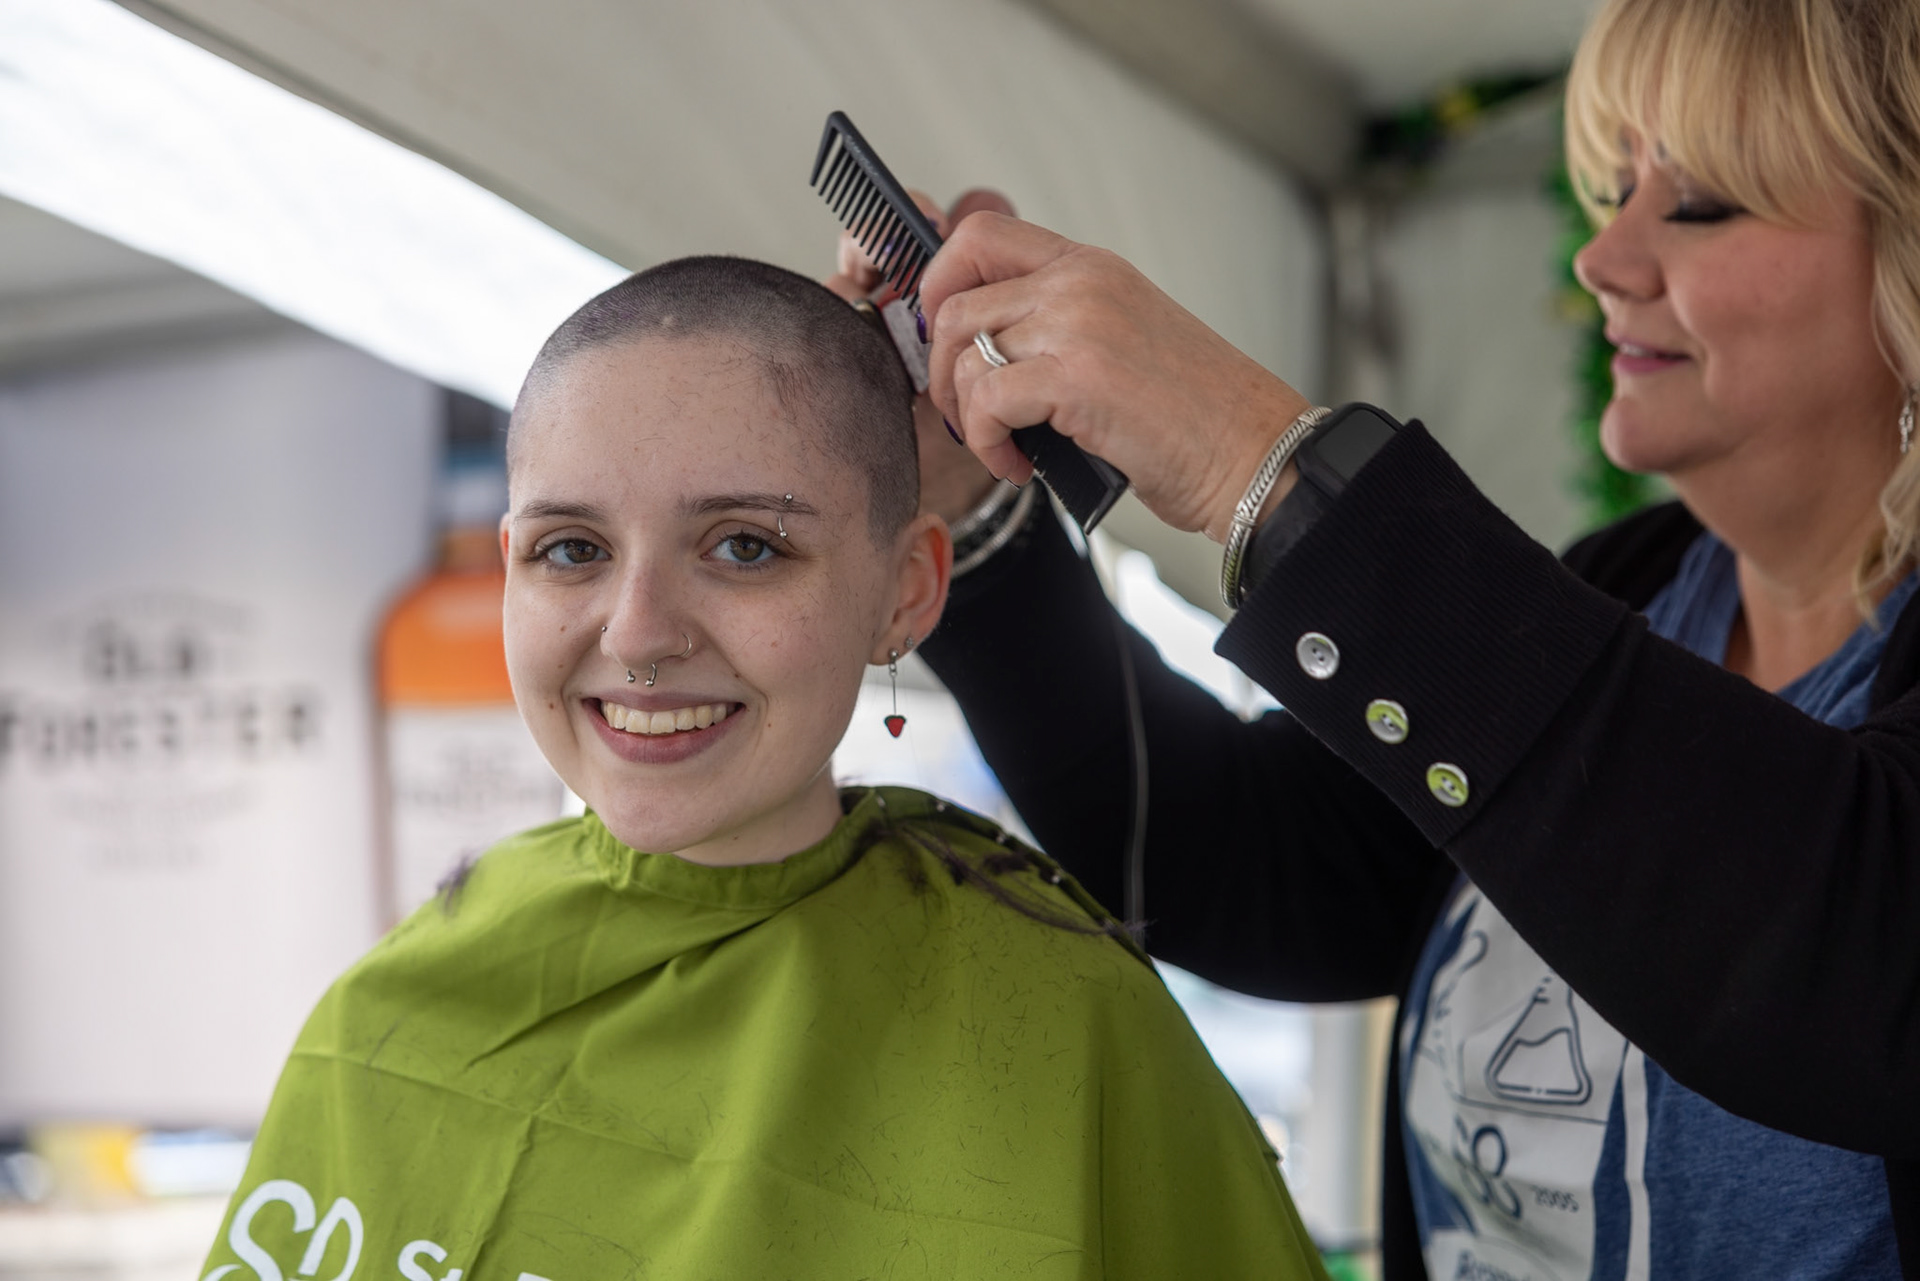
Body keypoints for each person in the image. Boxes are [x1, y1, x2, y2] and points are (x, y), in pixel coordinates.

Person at [833, 0, 1920, 1276]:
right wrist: (976, 505)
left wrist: (1263, 465)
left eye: (1698, 203)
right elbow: (1257, 862)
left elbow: (1855, 952)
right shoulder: (1630, 592)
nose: (1604, 257)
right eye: (1617, 188)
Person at [197, 256, 1331, 1280]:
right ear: (510, 568)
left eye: (745, 546)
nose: (637, 633)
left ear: (906, 591)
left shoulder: (1074, 1034)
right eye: (571, 549)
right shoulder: (395, 1003)